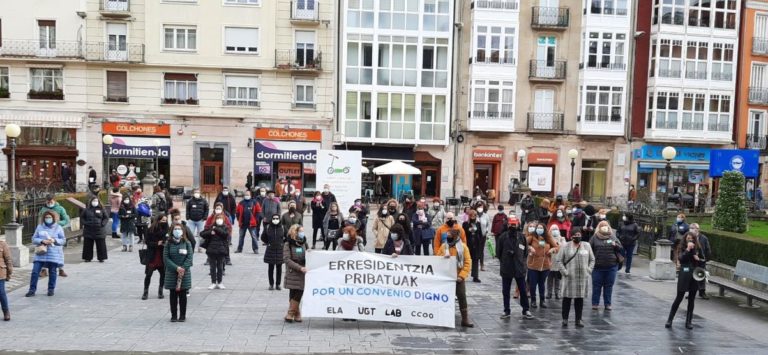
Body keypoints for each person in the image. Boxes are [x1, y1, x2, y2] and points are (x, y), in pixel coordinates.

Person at [555, 228, 595, 328]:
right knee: (567, 299)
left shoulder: (586, 245)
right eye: (575, 234)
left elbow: (592, 259)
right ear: (572, 235)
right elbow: (559, 260)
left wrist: (588, 270)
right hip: (569, 277)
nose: (578, 236)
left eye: (579, 234)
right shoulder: (565, 246)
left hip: (582, 278)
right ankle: (565, 319)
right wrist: (564, 272)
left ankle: (578, 319)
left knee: (579, 299)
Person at [496, 216, 534, 320]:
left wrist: (520, 260)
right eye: (511, 224)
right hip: (506, 267)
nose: (513, 226)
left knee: (522, 290)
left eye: (514, 224)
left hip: (519, 268)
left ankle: (526, 309)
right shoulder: (503, 237)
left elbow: (525, 252)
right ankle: (506, 310)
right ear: (508, 225)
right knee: (506, 291)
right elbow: (498, 253)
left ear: (518, 225)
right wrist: (505, 259)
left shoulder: (522, 237)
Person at [665, 232, 704, 329]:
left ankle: (688, 322)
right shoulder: (682, 247)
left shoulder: (698, 248)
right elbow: (681, 258)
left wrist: (698, 258)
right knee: (679, 297)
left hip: (694, 274)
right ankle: (670, 320)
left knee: (691, 299)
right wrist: (688, 249)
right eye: (688, 238)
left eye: (691, 239)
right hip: (684, 273)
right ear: (685, 239)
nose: (690, 240)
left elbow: (704, 259)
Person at [26, 211, 66, 297]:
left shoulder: (58, 227)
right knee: (35, 271)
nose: (48, 219)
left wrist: (54, 240)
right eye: (46, 217)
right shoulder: (40, 227)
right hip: (41, 253)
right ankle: (32, 290)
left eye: (49, 217)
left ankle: (51, 289)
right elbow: (33, 239)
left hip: (53, 253)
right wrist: (42, 241)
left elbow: (63, 240)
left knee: (52, 271)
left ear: (53, 218)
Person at [440, 228, 474, 328]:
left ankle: (465, 319)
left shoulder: (463, 247)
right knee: (445, 298)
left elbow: (467, 263)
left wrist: (461, 276)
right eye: (447, 236)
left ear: (455, 237)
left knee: (462, 297)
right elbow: (437, 259)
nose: (447, 238)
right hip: (446, 277)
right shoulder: (444, 246)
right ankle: (445, 318)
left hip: (458, 278)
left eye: (450, 236)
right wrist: (443, 257)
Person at [164, 222, 193, 322]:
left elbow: (189, 257)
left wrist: (183, 268)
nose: (177, 231)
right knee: (173, 295)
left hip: (184, 273)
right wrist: (176, 268)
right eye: (175, 229)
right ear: (172, 231)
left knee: (183, 295)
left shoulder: (187, 243)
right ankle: (173, 315)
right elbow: (166, 258)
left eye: (179, 229)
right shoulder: (168, 243)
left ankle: (182, 315)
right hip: (172, 272)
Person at [589, 220, 622, 311]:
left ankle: (607, 304)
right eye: (602, 225)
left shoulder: (612, 236)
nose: (604, 227)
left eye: (606, 225)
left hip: (611, 266)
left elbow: (620, 248)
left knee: (609, 286)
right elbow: (589, 249)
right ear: (599, 228)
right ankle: (595, 303)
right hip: (597, 267)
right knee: (596, 286)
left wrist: (615, 245)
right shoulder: (594, 237)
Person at [526, 222, 558, 308]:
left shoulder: (548, 237)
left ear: (544, 230)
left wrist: (552, 250)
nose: (539, 229)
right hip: (533, 264)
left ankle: (542, 300)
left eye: (541, 228)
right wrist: (530, 248)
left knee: (542, 284)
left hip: (545, 265)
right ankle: (533, 300)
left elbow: (557, 247)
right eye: (538, 228)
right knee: (533, 284)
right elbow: (524, 243)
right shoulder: (532, 237)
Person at [38, 194, 70, 277]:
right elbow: (40, 220)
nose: (49, 203)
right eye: (48, 202)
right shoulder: (43, 209)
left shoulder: (60, 209)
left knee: (58, 252)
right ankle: (44, 270)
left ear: (54, 201)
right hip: (45, 233)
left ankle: (61, 269)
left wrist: (57, 223)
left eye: (51, 202)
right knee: (44, 252)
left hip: (56, 233)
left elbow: (66, 220)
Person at [283, 224, 308, 322]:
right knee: (293, 292)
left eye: (303, 231)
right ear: (295, 232)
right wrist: (299, 267)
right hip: (293, 271)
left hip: (303, 272)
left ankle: (291, 313)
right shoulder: (288, 244)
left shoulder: (304, 243)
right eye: (300, 231)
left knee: (299, 291)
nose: (302, 233)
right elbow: (286, 259)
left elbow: (308, 255)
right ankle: (294, 314)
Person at [143, 214, 169, 300]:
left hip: (162, 256)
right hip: (152, 255)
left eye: (166, 221)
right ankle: (145, 292)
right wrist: (156, 243)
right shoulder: (151, 230)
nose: (164, 222)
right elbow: (147, 242)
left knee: (163, 274)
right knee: (148, 274)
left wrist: (165, 243)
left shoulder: (167, 230)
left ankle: (160, 291)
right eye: (163, 221)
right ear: (158, 221)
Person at [201, 214, 230, 290]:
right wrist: (210, 232)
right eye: (217, 218)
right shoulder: (211, 227)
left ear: (223, 219)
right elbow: (202, 234)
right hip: (211, 250)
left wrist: (216, 229)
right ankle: (213, 282)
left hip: (221, 250)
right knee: (212, 267)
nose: (219, 220)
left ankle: (220, 282)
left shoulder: (225, 227)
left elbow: (225, 235)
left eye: (220, 218)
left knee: (220, 267)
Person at [81, 196, 109, 263]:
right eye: (93, 201)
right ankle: (87, 258)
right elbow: (82, 218)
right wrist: (85, 223)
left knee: (101, 245)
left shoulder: (102, 209)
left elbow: (106, 218)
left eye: (96, 201)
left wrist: (102, 224)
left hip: (100, 230)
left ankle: (101, 258)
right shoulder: (86, 210)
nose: (95, 202)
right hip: (88, 230)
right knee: (88, 245)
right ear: (91, 202)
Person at [262, 213, 285, 290]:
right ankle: (271, 284)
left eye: (277, 218)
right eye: (274, 218)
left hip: (279, 249)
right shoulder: (268, 227)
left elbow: (286, 237)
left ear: (279, 219)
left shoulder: (282, 227)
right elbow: (263, 237)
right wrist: (268, 242)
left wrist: (282, 243)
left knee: (279, 268)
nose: (275, 220)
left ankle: (278, 284)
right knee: (270, 267)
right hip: (270, 249)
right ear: (272, 219)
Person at [689, 223, 711, 299]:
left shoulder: (703, 238)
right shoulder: (689, 237)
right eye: (691, 228)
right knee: (691, 277)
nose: (692, 229)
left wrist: (705, 259)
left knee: (701, 276)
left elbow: (708, 249)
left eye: (693, 228)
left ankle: (702, 292)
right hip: (692, 260)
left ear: (698, 229)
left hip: (701, 260)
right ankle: (691, 293)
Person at [236, 190, 261, 254]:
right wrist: (239, 219)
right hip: (243, 223)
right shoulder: (241, 203)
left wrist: (256, 219)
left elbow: (258, 211)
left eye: (248, 194)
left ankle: (255, 249)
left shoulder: (254, 202)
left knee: (254, 236)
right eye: (246, 194)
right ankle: (239, 249)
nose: (247, 195)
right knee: (241, 236)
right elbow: (237, 212)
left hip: (252, 223)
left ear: (250, 195)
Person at [546, 224, 567, 300]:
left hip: (559, 262)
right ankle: (549, 293)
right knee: (549, 279)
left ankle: (557, 293)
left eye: (556, 229)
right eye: (553, 229)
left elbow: (565, 247)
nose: (554, 231)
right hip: (550, 262)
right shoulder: (548, 239)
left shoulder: (562, 238)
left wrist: (559, 243)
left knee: (558, 279)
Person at [463, 210, 484, 283]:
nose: (473, 217)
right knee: (465, 260)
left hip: (476, 244)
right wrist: (469, 230)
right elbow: (463, 234)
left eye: (474, 216)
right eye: (471, 216)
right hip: (468, 244)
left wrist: (480, 242)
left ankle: (475, 276)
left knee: (475, 260)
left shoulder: (478, 224)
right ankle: (463, 275)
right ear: (469, 216)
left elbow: (480, 233)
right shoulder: (465, 224)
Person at [186, 188, 209, 252]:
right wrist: (188, 218)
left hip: (200, 221)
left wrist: (204, 218)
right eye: (195, 192)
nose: (197, 194)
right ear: (193, 194)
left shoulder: (204, 201)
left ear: (200, 193)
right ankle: (190, 247)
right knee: (190, 234)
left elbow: (207, 209)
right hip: (191, 221)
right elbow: (187, 209)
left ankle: (200, 248)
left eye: (198, 192)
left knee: (201, 235)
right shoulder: (190, 201)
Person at [475, 203, 491, 271]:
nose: (480, 208)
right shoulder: (474, 215)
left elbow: (488, 224)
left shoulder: (486, 215)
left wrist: (487, 231)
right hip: (475, 235)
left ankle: (482, 265)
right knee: (475, 250)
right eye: (479, 207)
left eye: (481, 207)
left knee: (481, 250)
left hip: (483, 235)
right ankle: (474, 265)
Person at [0, 237, 13, 321]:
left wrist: (9, 273)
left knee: (1, 292)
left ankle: (6, 311)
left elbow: (8, 260)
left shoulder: (3, 244)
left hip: (0, 273)